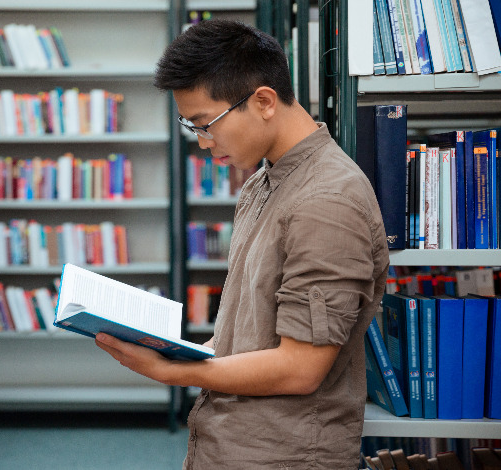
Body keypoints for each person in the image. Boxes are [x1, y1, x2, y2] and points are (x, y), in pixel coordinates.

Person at [94, 19, 390, 469]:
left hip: (282, 454)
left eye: (205, 123)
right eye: (191, 125)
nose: (202, 141)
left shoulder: (327, 201)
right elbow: (253, 328)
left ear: (264, 101)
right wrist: (171, 347)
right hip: (232, 441)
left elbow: (301, 367)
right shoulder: (262, 184)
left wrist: (172, 371)